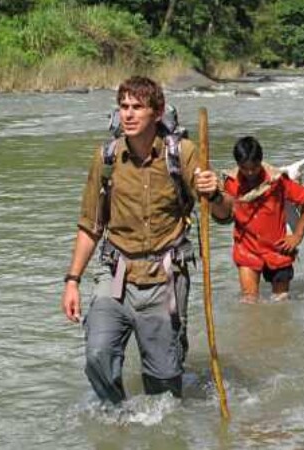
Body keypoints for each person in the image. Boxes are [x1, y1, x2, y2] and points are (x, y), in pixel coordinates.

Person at [60, 76, 231, 404]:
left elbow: (224, 215)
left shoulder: (181, 153)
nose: (128, 114)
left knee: (164, 386)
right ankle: (117, 419)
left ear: (158, 112)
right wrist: (72, 281)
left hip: (164, 277)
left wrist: (216, 193)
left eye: (137, 107)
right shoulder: (106, 158)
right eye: (123, 107)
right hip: (116, 272)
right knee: (98, 356)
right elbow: (90, 226)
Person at [215, 136, 304, 304]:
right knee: (249, 302)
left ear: (260, 162)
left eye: (253, 168)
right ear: (238, 165)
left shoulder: (276, 181)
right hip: (247, 249)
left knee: (281, 304)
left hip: (278, 249)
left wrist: (297, 235)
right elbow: (221, 213)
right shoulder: (230, 184)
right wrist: (212, 197)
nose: (249, 173)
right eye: (244, 168)